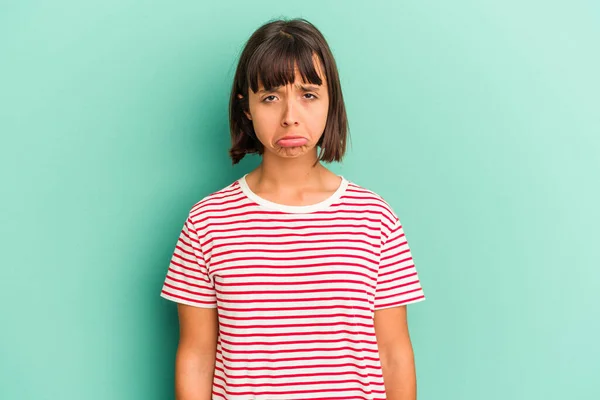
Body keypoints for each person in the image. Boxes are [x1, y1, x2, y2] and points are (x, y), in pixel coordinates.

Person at [160, 17, 426, 400]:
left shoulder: (374, 218)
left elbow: (394, 353)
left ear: (330, 100)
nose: (289, 115)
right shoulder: (208, 221)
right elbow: (196, 355)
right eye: (270, 96)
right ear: (246, 107)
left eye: (309, 94)